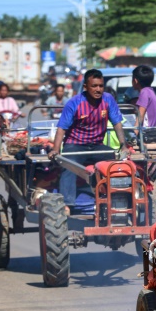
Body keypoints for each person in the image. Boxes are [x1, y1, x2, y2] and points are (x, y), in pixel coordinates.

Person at [48, 69, 126, 213]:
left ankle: (116, 199)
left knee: (117, 164)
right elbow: (61, 128)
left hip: (97, 145)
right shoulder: (74, 103)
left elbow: (117, 123)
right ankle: (67, 204)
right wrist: (55, 149)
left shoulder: (108, 99)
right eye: (94, 86)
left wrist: (123, 145)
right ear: (85, 87)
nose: (98, 89)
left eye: (101, 86)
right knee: (68, 165)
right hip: (75, 145)